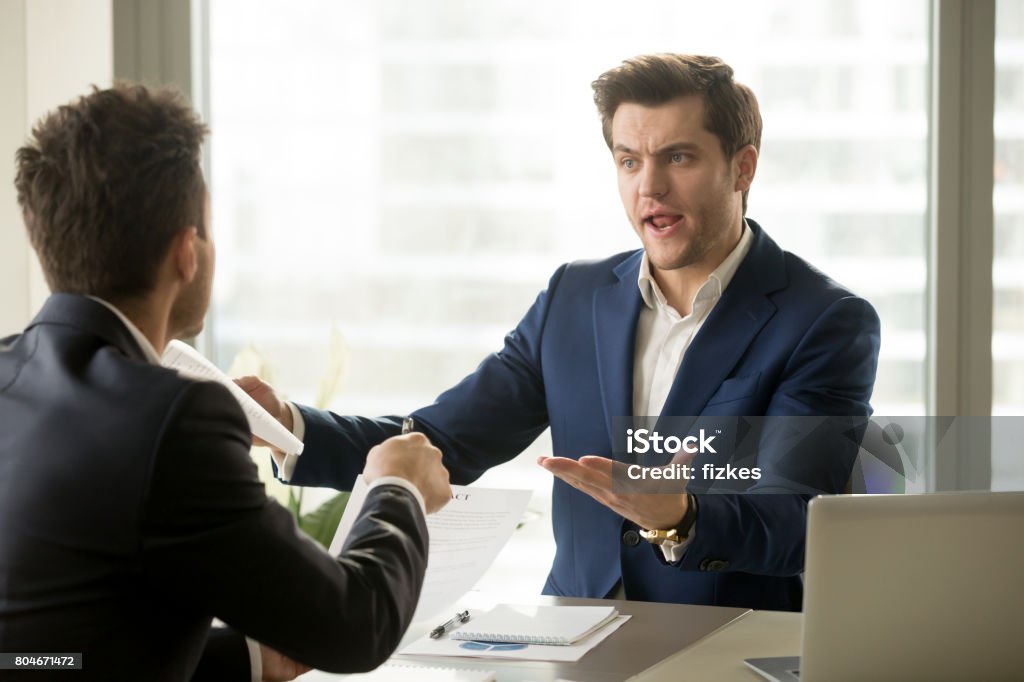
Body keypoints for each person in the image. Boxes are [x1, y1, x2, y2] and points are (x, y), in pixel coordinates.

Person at [242, 54, 880, 612]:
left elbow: (798, 521)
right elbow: (440, 442)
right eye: (629, 160)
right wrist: (288, 427)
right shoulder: (574, 300)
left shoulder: (824, 322)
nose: (648, 187)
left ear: (743, 168)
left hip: (722, 645)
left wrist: (682, 515)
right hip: (572, 637)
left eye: (678, 157)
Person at [0, 84, 451, 680]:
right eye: (208, 230)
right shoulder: (173, 418)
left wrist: (245, 658)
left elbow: (43, 654)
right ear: (187, 252)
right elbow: (353, 626)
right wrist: (397, 490)